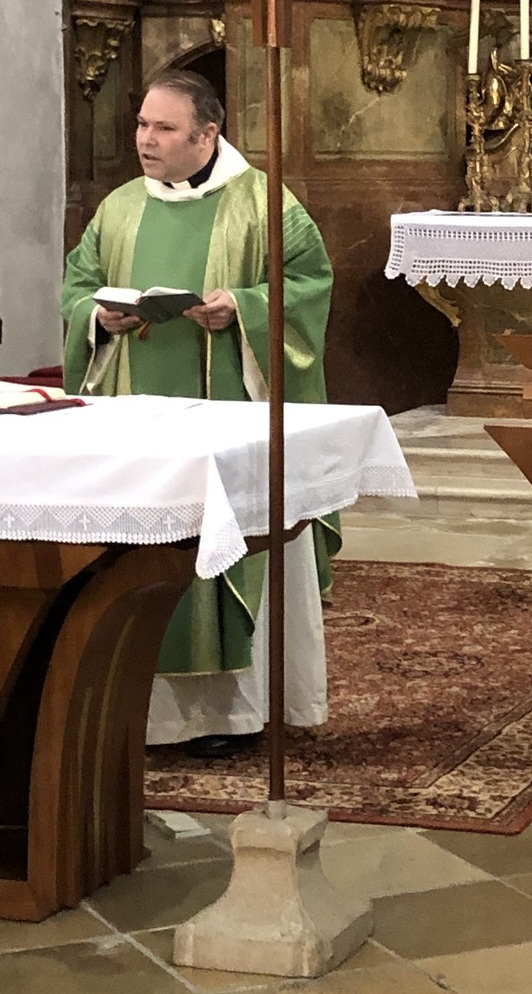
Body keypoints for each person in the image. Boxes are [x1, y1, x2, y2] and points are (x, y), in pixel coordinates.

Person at [60, 70, 337, 757]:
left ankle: (227, 715)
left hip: (227, 417)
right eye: (141, 125)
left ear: (208, 134)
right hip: (135, 421)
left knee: (220, 551)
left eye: (165, 128)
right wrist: (98, 316)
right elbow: (78, 285)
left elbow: (309, 285)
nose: (146, 140)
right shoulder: (120, 206)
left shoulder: (264, 204)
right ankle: (139, 711)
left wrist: (242, 307)